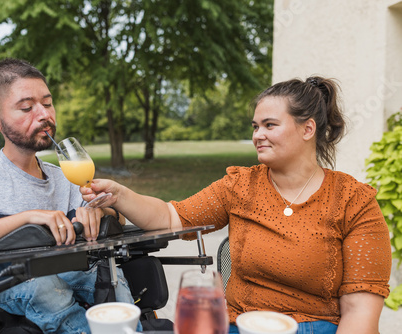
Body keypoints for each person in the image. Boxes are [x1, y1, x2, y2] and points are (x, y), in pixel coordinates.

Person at [81, 76, 392, 334]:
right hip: (237, 325)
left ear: (307, 129)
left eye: (270, 125)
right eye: (255, 126)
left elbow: (359, 314)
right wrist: (121, 195)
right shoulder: (240, 185)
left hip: (314, 327)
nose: (258, 135)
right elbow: (172, 217)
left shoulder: (354, 202)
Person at [0, 58, 138, 334]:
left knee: (108, 273)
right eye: (26, 107)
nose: (43, 115)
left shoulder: (65, 176)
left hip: (63, 275)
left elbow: (115, 214)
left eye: (47, 104)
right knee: (44, 286)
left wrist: (99, 210)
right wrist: (25, 219)